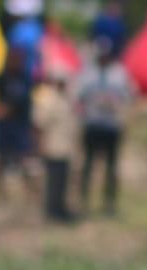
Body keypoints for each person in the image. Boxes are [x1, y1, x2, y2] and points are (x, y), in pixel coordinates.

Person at [74, 38, 134, 216]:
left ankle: (109, 203)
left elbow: (130, 97)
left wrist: (116, 105)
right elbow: (78, 98)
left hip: (112, 126)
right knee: (88, 164)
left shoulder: (120, 74)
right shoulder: (87, 74)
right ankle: (83, 201)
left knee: (111, 167)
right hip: (92, 124)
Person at [0, 48, 36, 199]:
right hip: (4, 126)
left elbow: (22, 100)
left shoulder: (25, 79)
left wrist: (7, 109)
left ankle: (30, 191)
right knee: (0, 157)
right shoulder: (3, 77)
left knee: (24, 157)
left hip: (20, 125)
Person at [34, 69, 78, 223]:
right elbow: (39, 125)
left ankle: (60, 209)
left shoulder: (66, 98)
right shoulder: (48, 100)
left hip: (65, 148)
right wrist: (39, 146)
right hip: (52, 147)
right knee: (53, 182)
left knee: (62, 182)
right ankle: (52, 212)